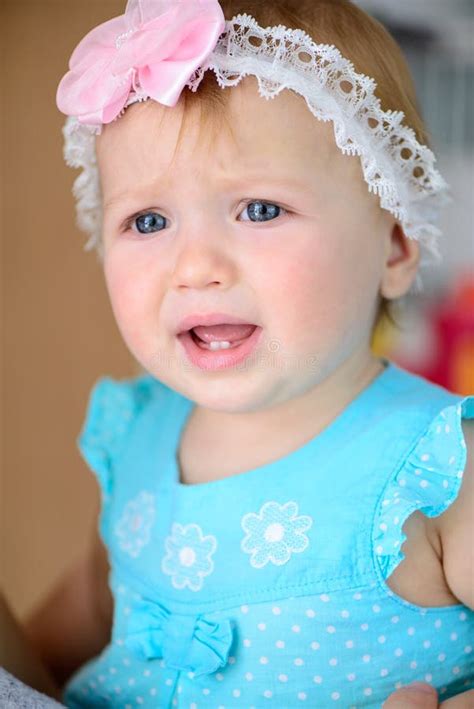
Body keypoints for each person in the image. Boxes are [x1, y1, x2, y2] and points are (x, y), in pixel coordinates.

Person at [21, 0, 474, 706]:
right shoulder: (139, 435)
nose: (195, 265)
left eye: (259, 209)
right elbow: (73, 631)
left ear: (394, 245)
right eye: (148, 220)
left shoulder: (441, 466)